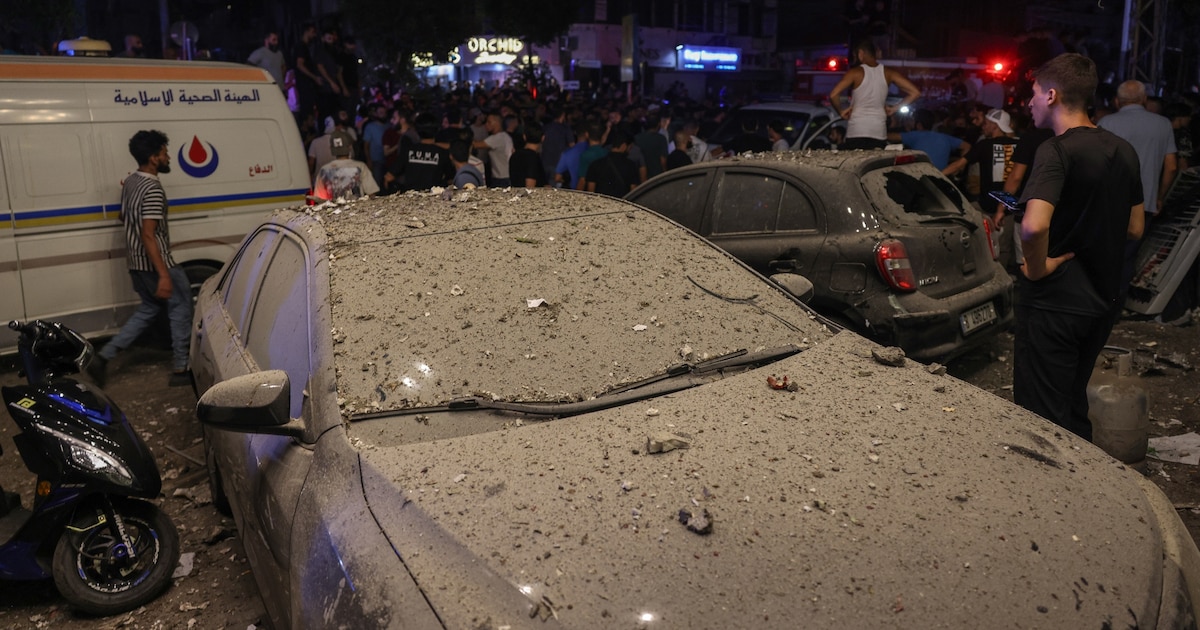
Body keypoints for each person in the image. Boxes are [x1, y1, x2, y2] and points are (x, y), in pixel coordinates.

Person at [1013, 53, 1144, 441]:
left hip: (1054, 303)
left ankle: (1051, 497)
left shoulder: (1055, 150)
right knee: (1072, 405)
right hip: (1101, 301)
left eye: (1034, 93)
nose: (1030, 101)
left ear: (1052, 95)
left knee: (1042, 420)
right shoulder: (1124, 150)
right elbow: (1135, 227)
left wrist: (1037, 269)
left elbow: (1034, 227)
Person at [89, 131, 193, 388]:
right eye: (164, 152)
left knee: (148, 310)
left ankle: (104, 357)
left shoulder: (131, 182)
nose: (168, 157)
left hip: (135, 263)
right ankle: (182, 368)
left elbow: (124, 219)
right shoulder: (154, 189)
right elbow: (148, 234)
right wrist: (165, 275)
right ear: (153, 158)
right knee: (181, 308)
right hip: (157, 263)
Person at [1097, 80, 1178, 218]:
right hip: (1146, 202)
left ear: (1117, 101)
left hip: (1111, 202)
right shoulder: (1163, 124)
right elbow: (1171, 167)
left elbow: (1096, 164)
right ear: (1144, 99)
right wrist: (1159, 197)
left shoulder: (1106, 123)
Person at [829, 39, 921, 150]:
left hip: (856, 130)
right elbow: (915, 92)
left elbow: (833, 94)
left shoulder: (855, 72)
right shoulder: (889, 73)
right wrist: (895, 108)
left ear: (861, 53)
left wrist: (841, 111)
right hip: (878, 131)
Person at [942, 109, 1018, 222]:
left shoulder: (984, 145)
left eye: (986, 124)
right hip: (1011, 207)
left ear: (995, 126)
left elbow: (958, 164)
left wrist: (937, 175)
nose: (983, 127)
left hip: (987, 206)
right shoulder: (1019, 145)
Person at [888, 108, 970, 170]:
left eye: (911, 120)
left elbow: (887, 136)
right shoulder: (945, 137)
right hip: (941, 177)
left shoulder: (914, 135)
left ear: (919, 125)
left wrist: (893, 123)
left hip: (920, 178)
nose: (907, 121)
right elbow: (967, 146)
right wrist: (958, 169)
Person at [312, 130, 379, 201]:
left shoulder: (324, 170)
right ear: (350, 147)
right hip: (356, 210)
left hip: (333, 210)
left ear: (331, 148)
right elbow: (371, 193)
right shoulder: (360, 166)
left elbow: (319, 199)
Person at [586, 130, 639, 197]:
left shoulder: (595, 164)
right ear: (624, 146)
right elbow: (633, 192)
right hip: (621, 205)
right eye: (629, 148)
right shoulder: (631, 166)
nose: (629, 150)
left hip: (601, 205)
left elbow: (590, 192)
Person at [472, 112, 514, 187]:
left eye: (489, 122)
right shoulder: (504, 136)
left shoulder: (498, 138)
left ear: (497, 123)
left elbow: (475, 145)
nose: (486, 125)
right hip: (505, 176)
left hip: (502, 178)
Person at [509, 121, 547, 188]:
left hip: (515, 195)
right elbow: (530, 186)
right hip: (529, 197)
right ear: (543, 138)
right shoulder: (533, 158)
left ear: (524, 137)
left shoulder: (515, 155)